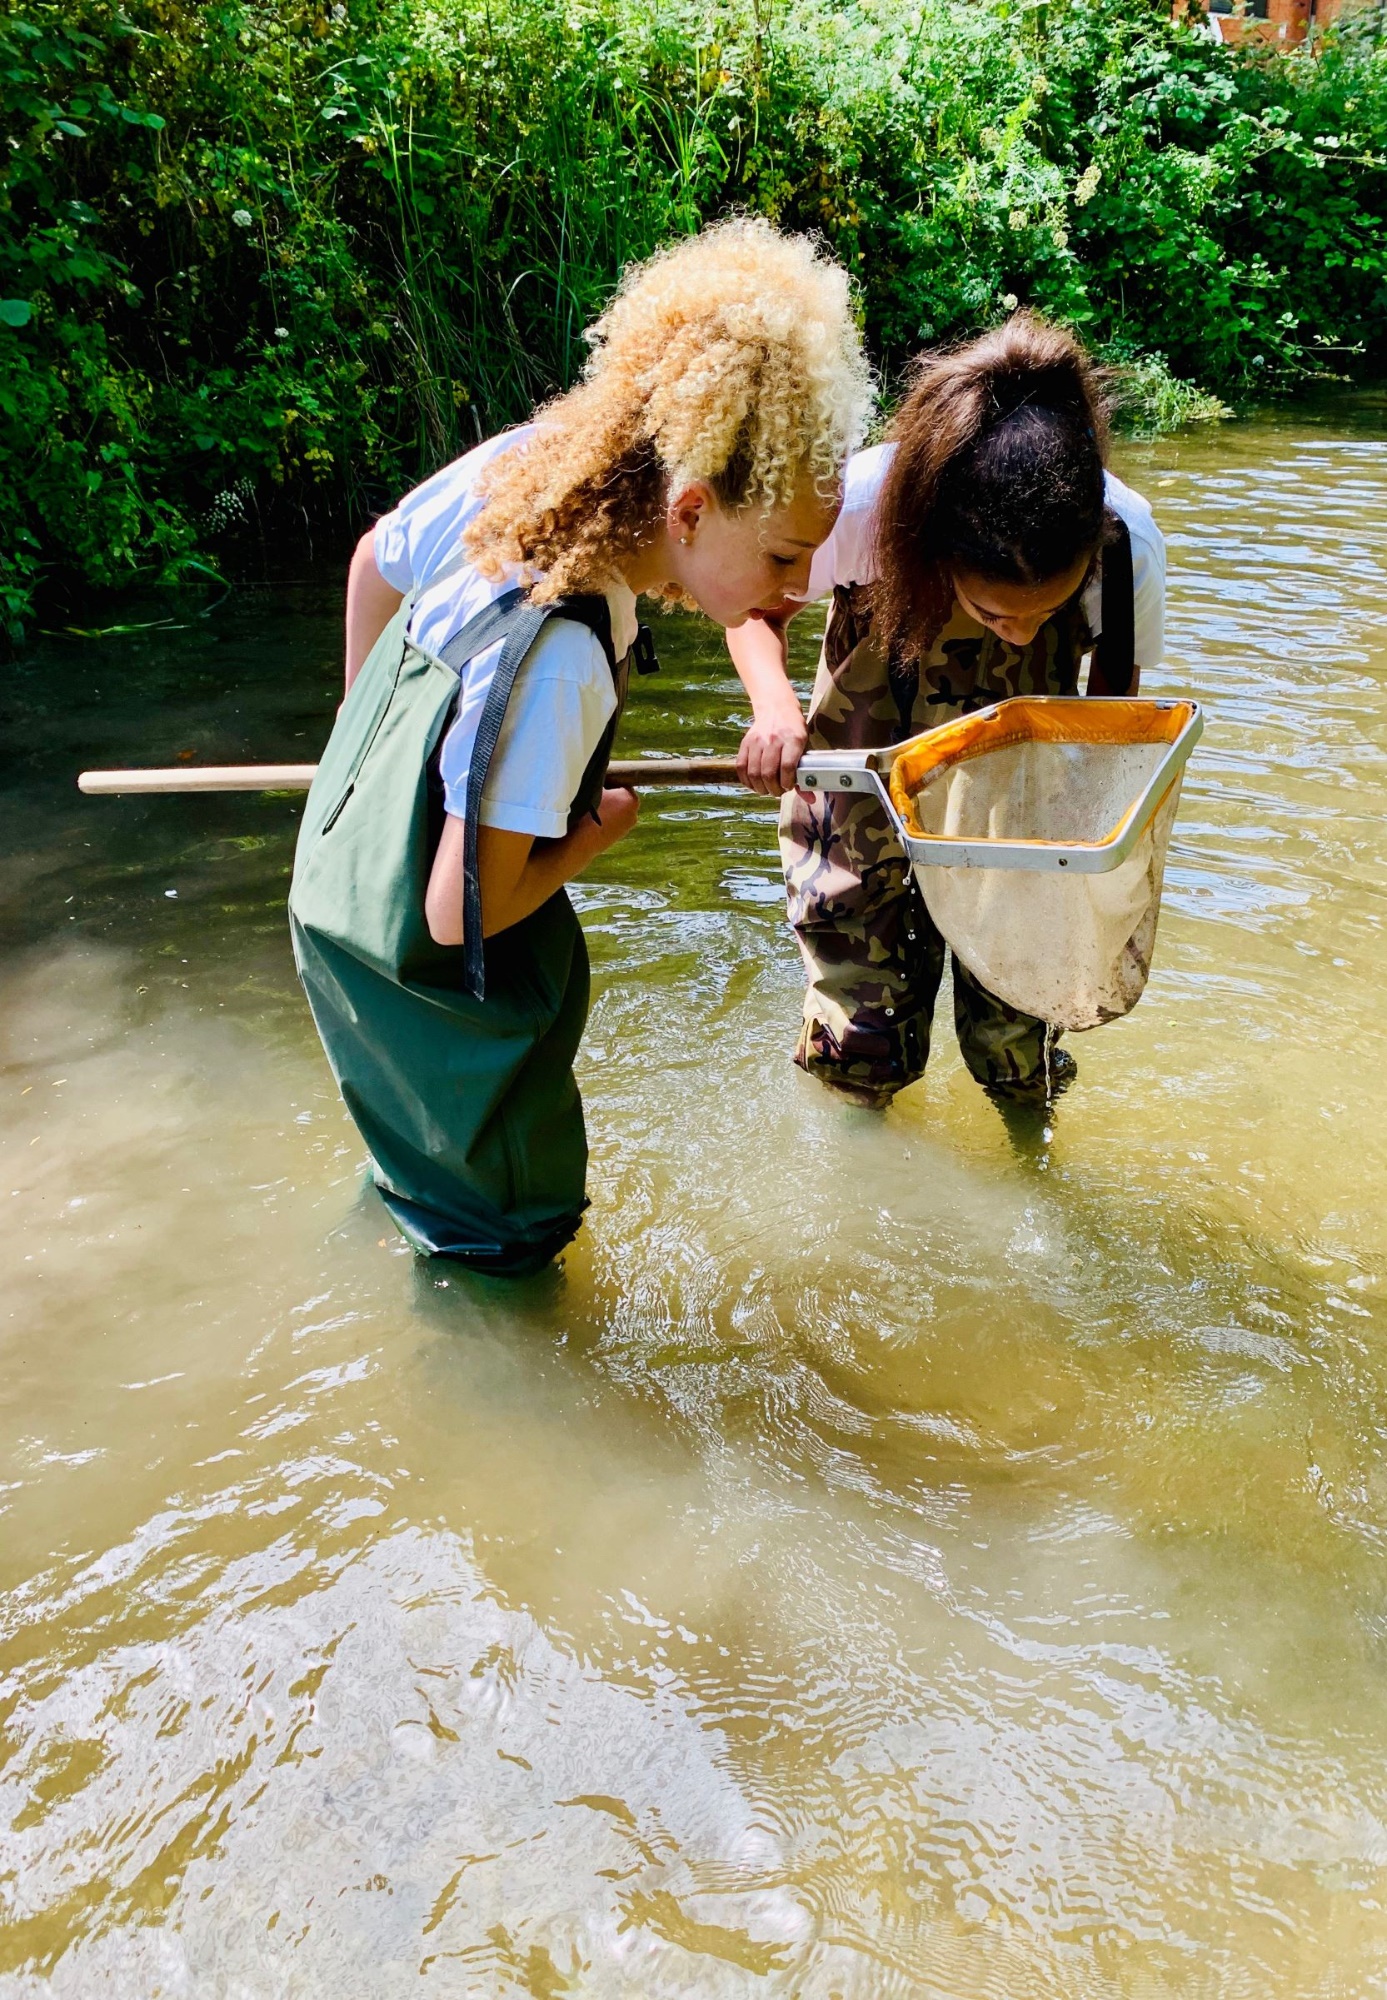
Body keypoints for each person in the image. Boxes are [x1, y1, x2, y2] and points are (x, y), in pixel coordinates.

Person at [289, 219, 872, 1273]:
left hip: (337, 884)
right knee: (502, 1240)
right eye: (784, 557)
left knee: (412, 1161)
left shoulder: (529, 467)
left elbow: (375, 556)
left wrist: (356, 739)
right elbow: (457, 909)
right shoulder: (564, 661)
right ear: (688, 509)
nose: (795, 591)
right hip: (419, 957)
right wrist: (598, 833)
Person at [725, 310, 1167, 1107]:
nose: (1023, 630)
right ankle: (861, 1194)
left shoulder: (1122, 537)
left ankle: (1030, 1161)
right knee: (859, 1037)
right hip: (858, 794)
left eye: (1046, 610)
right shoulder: (862, 504)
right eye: (998, 615)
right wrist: (773, 711)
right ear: (934, 550)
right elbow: (753, 610)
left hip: (1016, 813)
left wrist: (1091, 834)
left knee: (1019, 1032)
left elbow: (1112, 718)